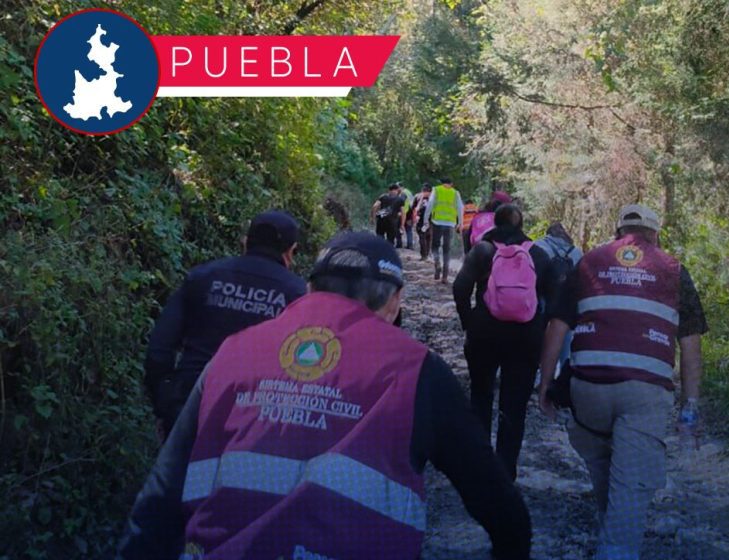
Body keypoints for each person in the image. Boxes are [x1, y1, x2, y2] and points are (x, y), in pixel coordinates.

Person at [118, 232, 532, 560]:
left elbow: (161, 493)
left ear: (309, 288)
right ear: (393, 301)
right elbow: (494, 498)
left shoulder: (233, 352)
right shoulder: (416, 370)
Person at [537, 204, 709, 560]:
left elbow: (557, 325)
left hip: (588, 389)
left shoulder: (588, 262)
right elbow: (690, 344)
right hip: (644, 393)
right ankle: (616, 545)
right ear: (655, 235)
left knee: (602, 463)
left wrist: (545, 383)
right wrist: (690, 406)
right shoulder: (675, 270)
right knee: (630, 486)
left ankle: (609, 525)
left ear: (618, 232)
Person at [143, 211, 306, 438]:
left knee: (177, 472)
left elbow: (159, 350)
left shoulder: (203, 276)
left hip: (190, 404)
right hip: (254, 416)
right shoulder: (299, 295)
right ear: (291, 251)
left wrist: (165, 404)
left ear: (246, 241)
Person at [453, 204, 555, 480]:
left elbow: (460, 288)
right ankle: (505, 471)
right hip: (525, 337)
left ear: (494, 223)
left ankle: (480, 465)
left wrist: (469, 321)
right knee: (515, 404)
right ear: (522, 225)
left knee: (481, 395)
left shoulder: (483, 250)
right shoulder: (538, 253)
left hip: (484, 333)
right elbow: (555, 300)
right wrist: (539, 327)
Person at [534, 222, 583, 371]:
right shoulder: (577, 252)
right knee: (565, 337)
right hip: (566, 302)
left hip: (542, 298)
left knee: (539, 334)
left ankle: (538, 373)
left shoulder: (538, 246)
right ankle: (563, 372)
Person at [423, 178, 464, 283]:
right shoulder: (455, 193)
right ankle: (445, 275)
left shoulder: (436, 190)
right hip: (450, 224)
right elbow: (460, 208)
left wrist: (425, 219)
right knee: (447, 249)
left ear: (442, 183)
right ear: (452, 184)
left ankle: (437, 263)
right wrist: (460, 222)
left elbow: (430, 204)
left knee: (435, 245)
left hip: (437, 222)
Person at [373, 183, 408, 248]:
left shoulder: (383, 196)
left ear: (389, 190)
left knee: (380, 237)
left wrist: (373, 217)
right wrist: (402, 225)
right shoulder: (400, 199)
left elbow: (375, 206)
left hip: (381, 220)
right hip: (392, 222)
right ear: (397, 190)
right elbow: (403, 212)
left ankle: (380, 251)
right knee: (390, 239)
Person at [413, 184, 434, 260]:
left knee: (424, 237)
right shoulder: (434, 198)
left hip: (423, 219)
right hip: (430, 219)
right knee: (427, 237)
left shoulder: (417, 196)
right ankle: (425, 254)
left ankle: (424, 255)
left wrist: (414, 218)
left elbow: (413, 208)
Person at [400, 183, 416, 250]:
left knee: (402, 227)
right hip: (410, 212)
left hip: (406, 212)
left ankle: (399, 244)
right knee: (409, 229)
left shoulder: (403, 193)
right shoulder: (408, 192)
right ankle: (410, 245)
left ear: (401, 187)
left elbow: (402, 202)